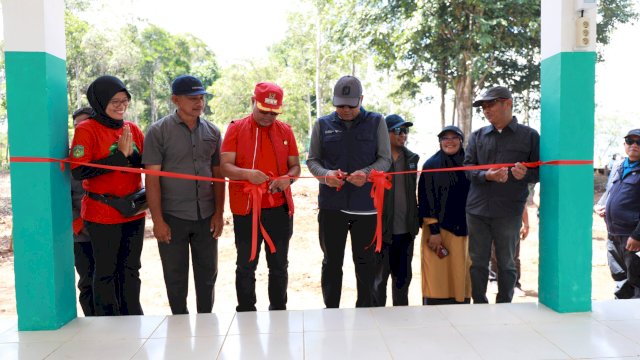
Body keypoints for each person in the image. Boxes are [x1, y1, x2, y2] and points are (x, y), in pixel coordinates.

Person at [307, 75, 392, 308]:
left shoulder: (376, 122)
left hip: (365, 206)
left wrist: (366, 173)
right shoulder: (322, 125)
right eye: (339, 105)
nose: (344, 110)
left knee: (365, 262)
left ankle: (365, 311)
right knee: (332, 261)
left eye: (350, 105)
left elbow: (385, 160)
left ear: (361, 100)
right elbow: (312, 160)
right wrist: (326, 176)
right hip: (331, 206)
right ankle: (331, 309)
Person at [143, 75, 224, 314]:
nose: (199, 103)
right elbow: (152, 179)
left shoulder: (213, 131)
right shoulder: (158, 132)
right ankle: (180, 324)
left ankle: (206, 323)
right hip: (172, 217)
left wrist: (219, 213)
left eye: (201, 98)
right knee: (175, 276)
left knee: (208, 275)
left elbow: (218, 177)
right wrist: (157, 221)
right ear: (175, 100)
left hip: (206, 216)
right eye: (192, 99)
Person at [220, 82, 300, 312]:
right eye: (264, 110)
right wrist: (247, 175)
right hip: (246, 209)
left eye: (274, 112)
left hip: (279, 208)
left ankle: (278, 310)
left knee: (279, 265)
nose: (268, 117)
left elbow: (295, 167)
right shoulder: (235, 128)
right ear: (252, 102)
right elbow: (225, 167)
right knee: (246, 264)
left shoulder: (286, 131)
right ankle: (246, 311)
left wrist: (288, 178)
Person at [70, 75, 146, 316]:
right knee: (106, 271)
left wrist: (130, 155)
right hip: (102, 213)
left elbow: (142, 164)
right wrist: (119, 157)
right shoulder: (86, 129)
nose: (120, 106)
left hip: (133, 211)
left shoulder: (131, 128)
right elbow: (79, 169)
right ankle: (107, 322)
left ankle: (133, 316)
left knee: (131, 268)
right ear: (100, 101)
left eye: (125, 100)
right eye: (114, 101)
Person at [464, 85, 539, 304]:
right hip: (477, 210)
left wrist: (525, 173)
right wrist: (486, 175)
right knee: (477, 261)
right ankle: (478, 303)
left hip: (509, 211)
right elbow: (467, 168)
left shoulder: (530, 136)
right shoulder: (477, 136)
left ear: (508, 103)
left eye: (491, 105)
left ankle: (505, 304)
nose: (486, 110)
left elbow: (540, 171)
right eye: (484, 107)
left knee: (507, 262)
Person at [418, 125, 471, 305]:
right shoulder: (431, 165)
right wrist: (434, 230)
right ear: (440, 142)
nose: (450, 142)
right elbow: (425, 198)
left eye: (454, 138)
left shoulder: (470, 164)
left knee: (461, 270)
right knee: (437, 273)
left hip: (465, 230)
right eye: (445, 138)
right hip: (437, 231)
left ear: (461, 141)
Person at [373, 114, 419, 306]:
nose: (403, 135)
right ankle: (377, 322)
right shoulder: (375, 160)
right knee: (378, 281)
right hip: (382, 233)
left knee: (402, 280)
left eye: (405, 131)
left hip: (406, 232)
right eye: (398, 131)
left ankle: (401, 321)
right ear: (386, 133)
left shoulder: (412, 159)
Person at [594, 129, 640, 299]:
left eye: (639, 142)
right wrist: (602, 206)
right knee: (620, 278)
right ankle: (621, 318)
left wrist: (637, 236)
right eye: (630, 141)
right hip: (613, 235)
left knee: (636, 280)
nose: (634, 145)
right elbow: (610, 191)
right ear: (624, 144)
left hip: (632, 237)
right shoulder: (618, 166)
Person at [71, 107, 95, 316]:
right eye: (78, 125)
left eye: (86, 123)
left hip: (108, 227)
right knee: (87, 280)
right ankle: (91, 321)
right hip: (81, 233)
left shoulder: (106, 151)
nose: (82, 128)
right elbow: (61, 196)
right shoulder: (70, 158)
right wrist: (77, 223)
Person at [487, 208, 529, 296]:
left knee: (514, 255)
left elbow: (524, 204)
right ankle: (493, 280)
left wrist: (526, 224)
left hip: (513, 222)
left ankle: (515, 284)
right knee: (494, 252)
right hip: (494, 220)